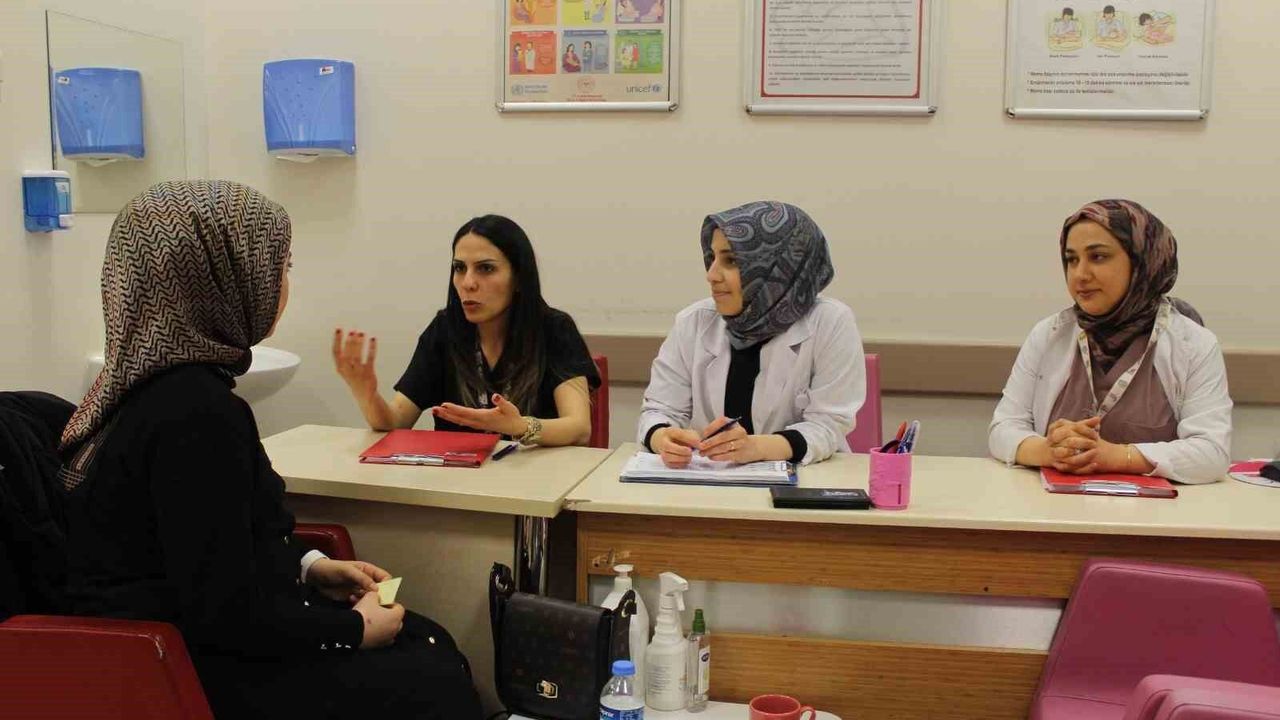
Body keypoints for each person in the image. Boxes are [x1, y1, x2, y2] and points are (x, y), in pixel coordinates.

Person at [58, 180, 482, 719]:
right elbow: (224, 611)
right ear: (221, 279)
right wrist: (353, 629)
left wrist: (309, 566)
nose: (283, 286)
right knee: (433, 671)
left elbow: (214, 545)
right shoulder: (196, 413)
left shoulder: (140, 388)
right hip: (188, 671)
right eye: (280, 267)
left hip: (178, 649)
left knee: (424, 642)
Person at [989, 199, 1232, 485]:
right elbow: (1003, 428)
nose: (1080, 275)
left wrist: (1114, 456)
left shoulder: (1194, 344)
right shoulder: (1049, 334)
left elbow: (1211, 454)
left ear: (1141, 262)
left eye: (1098, 257)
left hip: (1159, 511)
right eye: (1072, 259)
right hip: (1051, 508)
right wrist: (1049, 451)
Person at [335, 215, 599, 446]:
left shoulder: (554, 328)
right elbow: (395, 422)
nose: (468, 283)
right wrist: (367, 395)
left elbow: (579, 429)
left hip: (537, 478)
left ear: (519, 278)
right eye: (459, 268)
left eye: (486, 268)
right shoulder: (445, 329)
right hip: (456, 479)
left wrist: (520, 426)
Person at [638, 201, 865, 468]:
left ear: (778, 265)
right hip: (707, 482)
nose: (711, 275)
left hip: (805, 480)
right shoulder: (693, 321)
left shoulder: (830, 321)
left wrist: (754, 448)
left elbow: (828, 425)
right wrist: (662, 438)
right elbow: (659, 409)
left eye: (731, 261)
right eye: (712, 258)